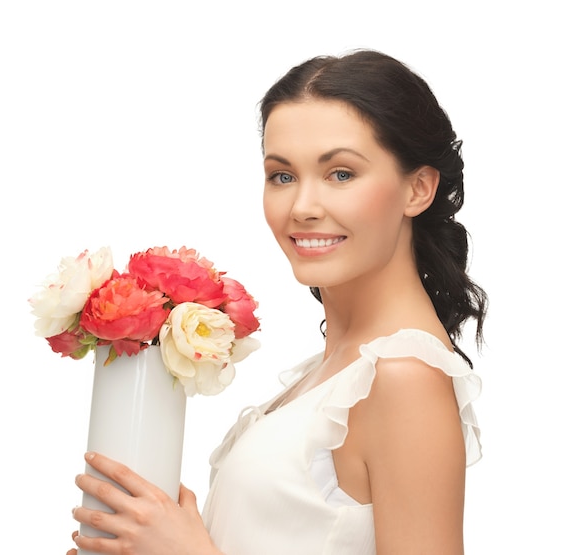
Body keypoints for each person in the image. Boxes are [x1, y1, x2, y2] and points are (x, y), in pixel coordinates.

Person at [69, 49, 487, 555]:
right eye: (282, 176)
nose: (303, 208)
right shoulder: (334, 370)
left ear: (417, 188)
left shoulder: (402, 377)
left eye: (341, 174)